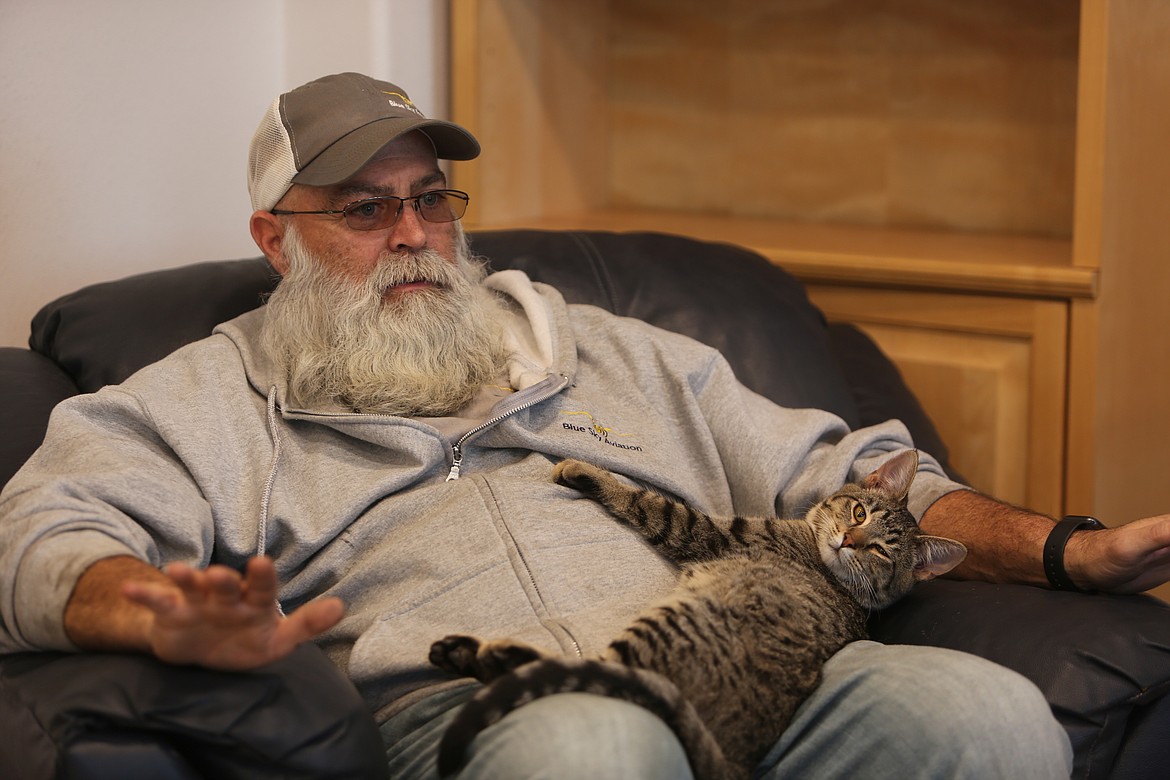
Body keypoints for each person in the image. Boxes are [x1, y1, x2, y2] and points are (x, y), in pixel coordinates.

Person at [4, 71, 1170, 779]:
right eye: (365, 210)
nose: (412, 236)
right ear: (276, 238)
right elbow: (45, 528)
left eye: (431, 201)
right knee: (596, 750)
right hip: (484, 711)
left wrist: (1068, 548)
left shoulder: (606, 347)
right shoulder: (204, 398)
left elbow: (853, 471)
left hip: (740, 672)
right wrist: (148, 609)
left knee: (982, 712)